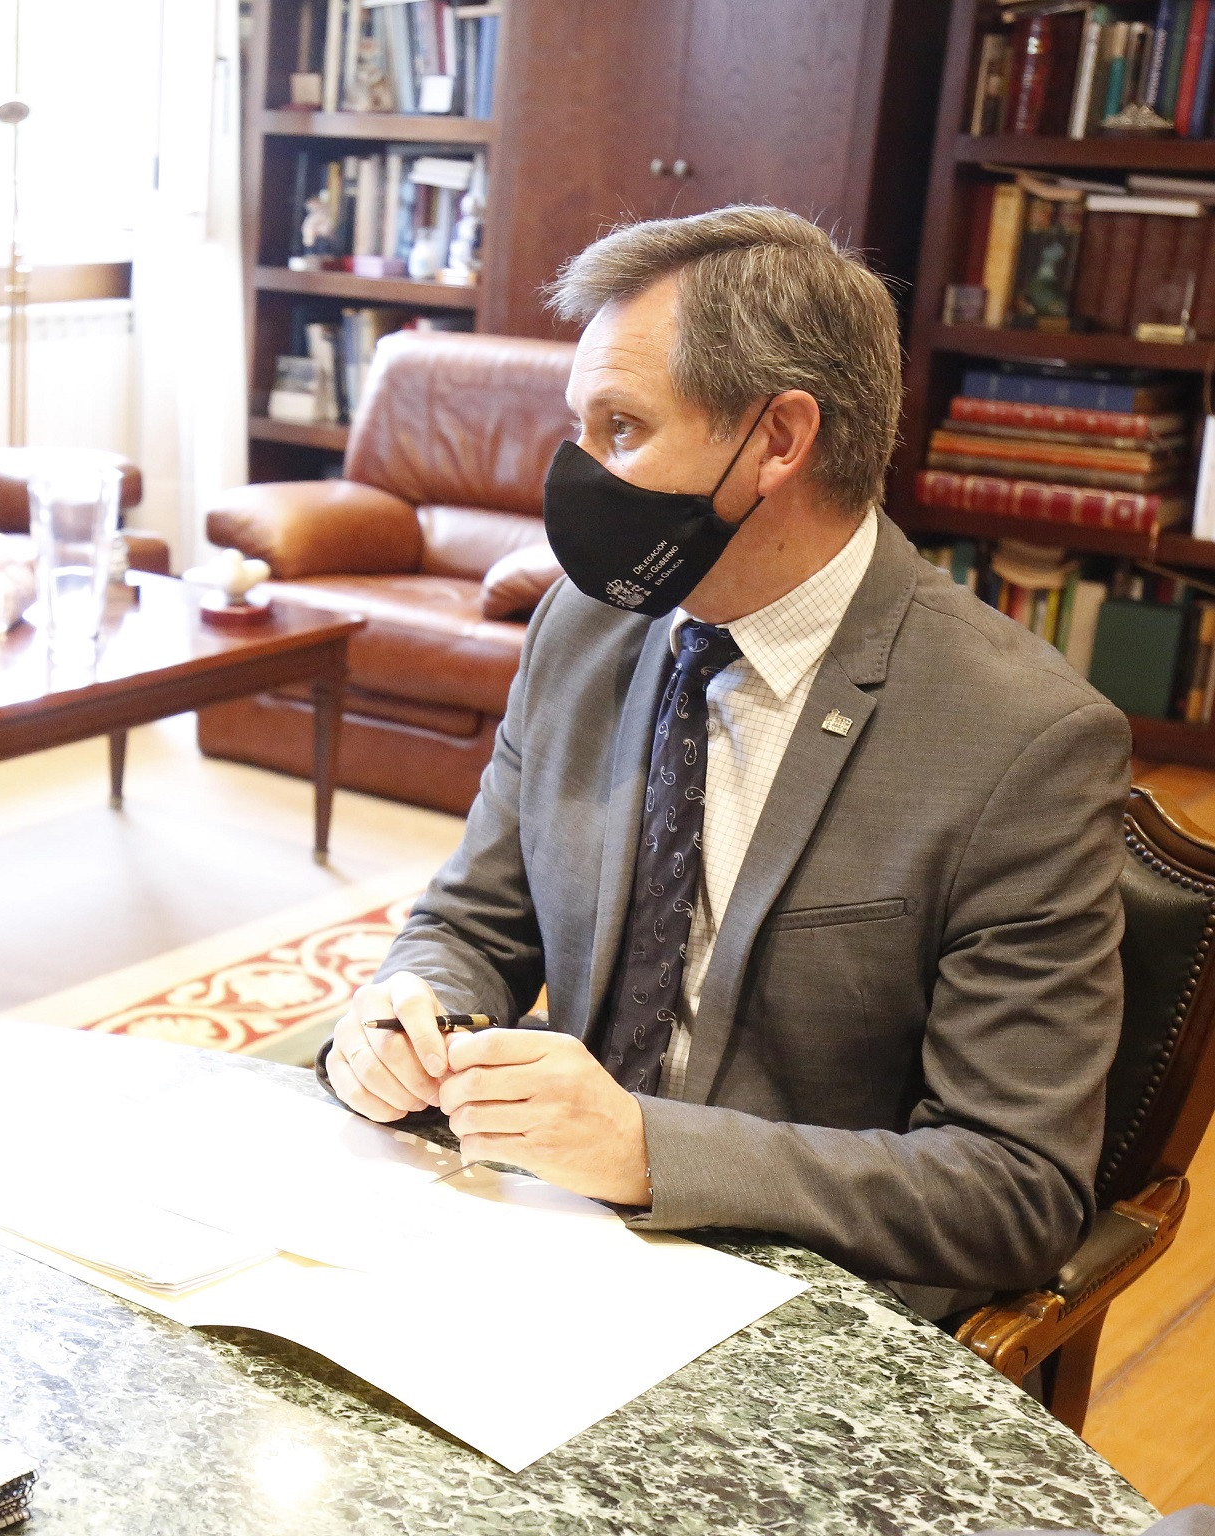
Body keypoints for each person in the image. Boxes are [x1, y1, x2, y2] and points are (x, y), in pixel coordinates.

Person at [319, 206, 1130, 1317]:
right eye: (580, 428)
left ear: (778, 441)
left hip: (795, 1303)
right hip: (539, 1232)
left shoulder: (1023, 741)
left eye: (621, 428)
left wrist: (647, 1150)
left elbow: (1014, 1190)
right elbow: (472, 921)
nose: (576, 473)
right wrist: (410, 1011)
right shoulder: (583, 628)